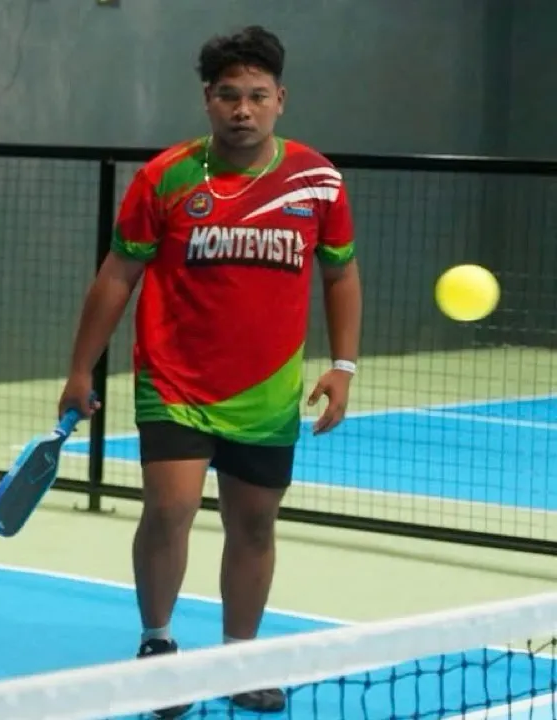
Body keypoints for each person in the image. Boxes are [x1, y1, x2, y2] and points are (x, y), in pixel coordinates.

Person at [59, 25, 362, 717]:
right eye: (229, 95)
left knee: (253, 526)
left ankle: (238, 657)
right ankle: (158, 646)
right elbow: (117, 276)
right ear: (207, 100)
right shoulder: (166, 177)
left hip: (267, 391)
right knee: (169, 510)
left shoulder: (317, 181)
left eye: (257, 95)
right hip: (174, 381)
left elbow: (341, 274)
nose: (242, 110)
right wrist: (81, 369)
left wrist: (343, 365)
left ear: (280, 99)